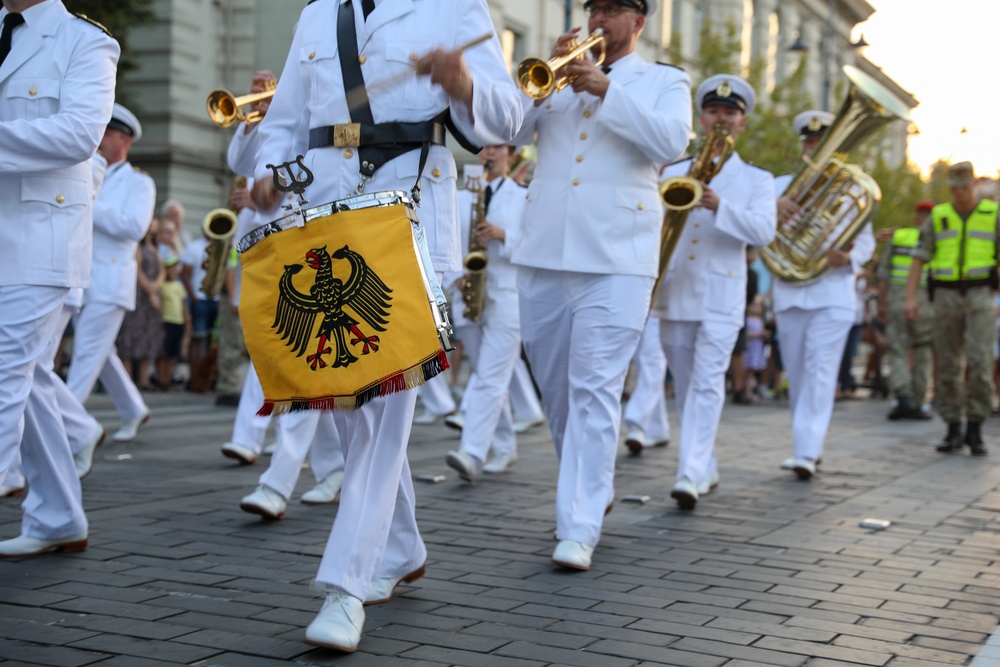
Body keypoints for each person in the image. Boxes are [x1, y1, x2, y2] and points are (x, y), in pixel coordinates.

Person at [249, 0, 521, 652]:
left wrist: (464, 86)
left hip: (408, 215)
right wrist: (266, 176)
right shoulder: (319, 14)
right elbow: (285, 119)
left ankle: (347, 585)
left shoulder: (454, 8)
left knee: (383, 406)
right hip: (324, 218)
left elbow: (511, 114)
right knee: (353, 406)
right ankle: (400, 548)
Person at [511, 0, 691, 569]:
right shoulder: (557, 77)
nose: (599, 20)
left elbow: (671, 144)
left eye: (613, 10)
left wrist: (608, 91)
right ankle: (588, 488)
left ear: (638, 23)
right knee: (558, 393)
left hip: (618, 257)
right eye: (595, 9)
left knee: (594, 389)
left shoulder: (664, 81)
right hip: (543, 251)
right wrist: (542, 85)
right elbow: (505, 131)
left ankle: (579, 524)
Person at [0, 0, 119, 556]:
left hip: (39, 240)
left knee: (6, 369)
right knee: (33, 383)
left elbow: (78, 134)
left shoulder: (85, 41)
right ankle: (56, 517)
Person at [655, 74, 777, 509]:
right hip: (676, 291)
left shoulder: (757, 179)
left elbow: (763, 231)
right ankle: (703, 463)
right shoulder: (671, 169)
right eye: (714, 112)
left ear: (742, 122)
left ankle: (688, 472)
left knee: (707, 383)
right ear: (702, 118)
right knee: (687, 385)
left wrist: (721, 205)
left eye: (730, 113)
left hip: (722, 295)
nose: (721, 119)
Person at [772, 110, 876, 479]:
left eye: (821, 143)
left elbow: (865, 242)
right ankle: (805, 446)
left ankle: (807, 451)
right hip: (790, 291)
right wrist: (774, 210)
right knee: (798, 374)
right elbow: (756, 231)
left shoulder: (851, 189)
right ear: (802, 145)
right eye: (810, 142)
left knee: (819, 371)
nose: (814, 148)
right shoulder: (780, 187)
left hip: (832, 293)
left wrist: (848, 257)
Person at [66, 104, 155, 443]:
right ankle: (133, 408)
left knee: (87, 353)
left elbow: (134, 227)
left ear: (125, 139)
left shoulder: (139, 183)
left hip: (110, 280)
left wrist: (87, 202)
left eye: (108, 133)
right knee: (100, 353)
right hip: (82, 277)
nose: (100, 139)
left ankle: (66, 425)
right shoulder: (84, 169)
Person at [445, 145, 526, 479]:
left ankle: (472, 452)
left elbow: (539, 244)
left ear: (511, 153)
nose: (489, 153)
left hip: (508, 295)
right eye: (485, 148)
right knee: (487, 373)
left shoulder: (525, 196)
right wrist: (455, 280)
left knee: (489, 376)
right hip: (470, 294)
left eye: (496, 147)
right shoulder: (461, 197)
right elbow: (446, 244)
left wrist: (502, 235)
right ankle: (505, 446)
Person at [905, 161, 997, 456]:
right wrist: (910, 298)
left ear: (974, 184)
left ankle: (975, 426)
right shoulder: (939, 216)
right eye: (954, 188)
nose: (959, 193)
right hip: (945, 295)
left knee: (981, 362)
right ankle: (953, 426)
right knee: (946, 363)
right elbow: (919, 258)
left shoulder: (993, 215)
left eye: (964, 186)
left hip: (980, 294)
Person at [876, 201, 935, 420]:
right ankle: (918, 402)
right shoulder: (937, 239)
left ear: (916, 216)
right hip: (925, 300)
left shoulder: (899, 237)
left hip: (898, 297)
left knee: (898, 348)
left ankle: (903, 397)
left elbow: (883, 275)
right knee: (922, 349)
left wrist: (881, 303)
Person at [116, 216, 165, 390]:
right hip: (139, 297)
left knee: (148, 337)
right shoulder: (137, 246)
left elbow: (162, 271)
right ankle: (127, 379)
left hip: (152, 297)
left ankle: (144, 379)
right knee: (131, 337)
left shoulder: (157, 248)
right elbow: (137, 270)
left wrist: (156, 286)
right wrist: (150, 291)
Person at [622, 315, 671, 454]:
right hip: (636, 303)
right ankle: (657, 428)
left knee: (652, 360)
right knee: (643, 362)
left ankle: (637, 422)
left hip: (658, 305)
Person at [157, 257, 189, 391]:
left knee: (173, 353)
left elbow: (183, 304)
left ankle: (168, 379)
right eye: (171, 267)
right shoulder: (162, 286)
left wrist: (188, 319)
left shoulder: (178, 285)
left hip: (178, 321)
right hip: (166, 321)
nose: (174, 270)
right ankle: (162, 380)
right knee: (164, 352)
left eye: (176, 268)